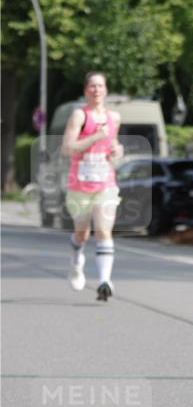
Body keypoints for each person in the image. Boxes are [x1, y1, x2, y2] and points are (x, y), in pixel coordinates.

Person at [61, 71, 123, 301]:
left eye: (100, 86)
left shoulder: (113, 118)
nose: (96, 90)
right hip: (79, 185)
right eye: (92, 86)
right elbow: (68, 148)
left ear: (106, 90)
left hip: (105, 182)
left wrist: (118, 150)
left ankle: (105, 281)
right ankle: (77, 258)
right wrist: (94, 137)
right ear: (86, 90)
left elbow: (114, 145)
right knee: (82, 233)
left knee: (104, 230)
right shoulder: (80, 115)